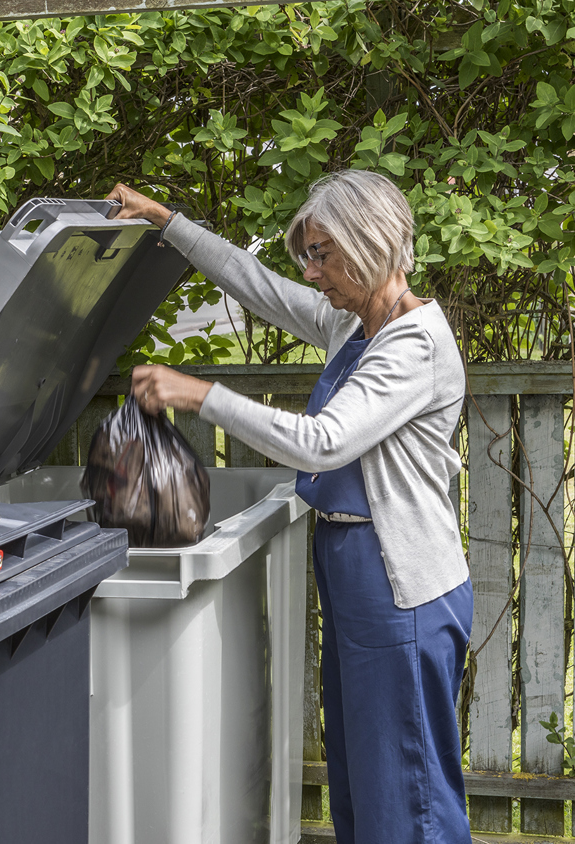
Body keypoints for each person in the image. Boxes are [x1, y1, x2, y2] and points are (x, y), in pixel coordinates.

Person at [106, 170, 473, 844]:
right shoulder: (353, 322)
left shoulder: (414, 343)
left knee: (410, 792)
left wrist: (200, 395)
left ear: (370, 241)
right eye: (308, 256)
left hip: (403, 585)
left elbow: (322, 443)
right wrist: (166, 221)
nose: (311, 272)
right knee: (362, 778)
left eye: (322, 254)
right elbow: (256, 285)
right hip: (352, 564)